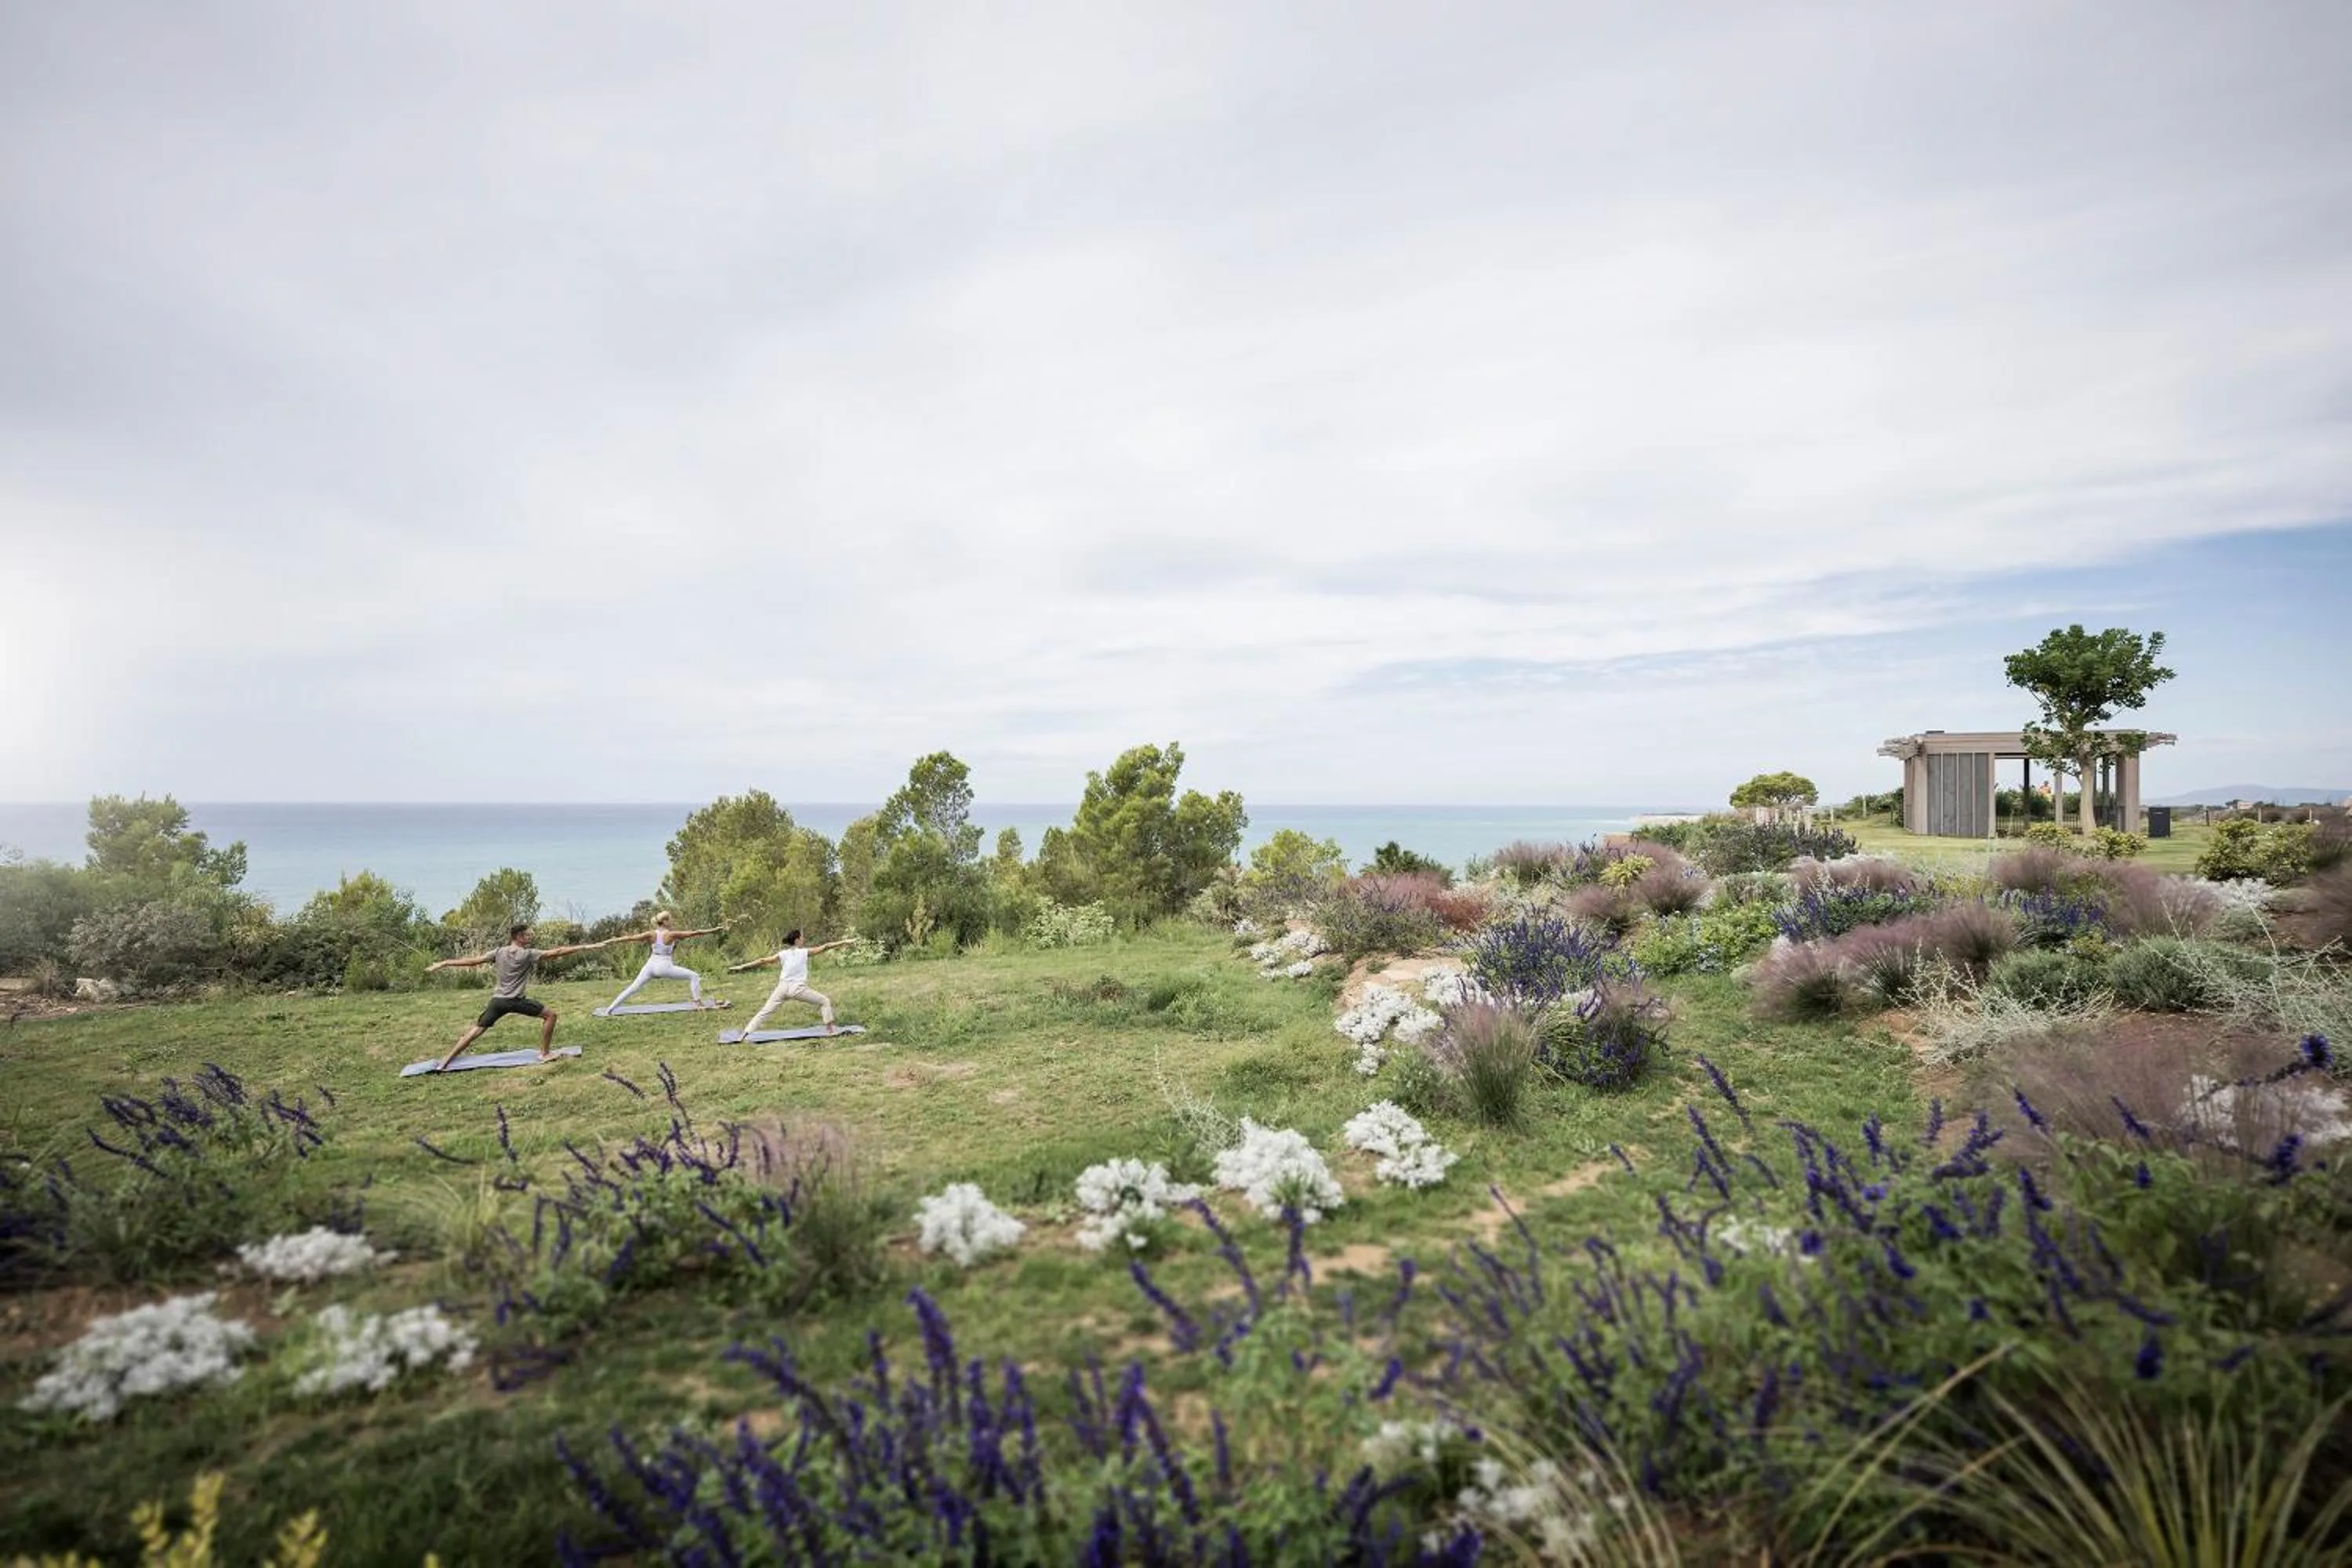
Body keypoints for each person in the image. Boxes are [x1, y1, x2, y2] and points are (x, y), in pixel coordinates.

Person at [426, 923, 612, 1072]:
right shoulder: (528, 954)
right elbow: (557, 952)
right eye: (527, 935)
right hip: (516, 1001)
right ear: (519, 937)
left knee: (476, 1031)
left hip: (498, 1001)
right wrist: (586, 946)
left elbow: (473, 961)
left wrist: (445, 963)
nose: (530, 938)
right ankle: (545, 1054)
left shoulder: (498, 952)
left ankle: (445, 1062)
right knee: (551, 1015)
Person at [730, 928, 855, 1036]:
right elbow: (826, 947)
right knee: (824, 1001)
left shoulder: (783, 954)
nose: (803, 939)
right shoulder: (804, 952)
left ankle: (745, 1034)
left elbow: (762, 960)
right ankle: (830, 1029)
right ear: (797, 940)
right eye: (801, 938)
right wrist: (845, 942)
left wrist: (742, 967)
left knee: (765, 1011)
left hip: (782, 988)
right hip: (798, 989)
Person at [600, 913, 727, 1011]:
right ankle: (698, 1004)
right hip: (664, 967)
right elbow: (696, 933)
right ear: (665, 922)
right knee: (694, 976)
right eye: (670, 919)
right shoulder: (671, 935)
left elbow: (630, 938)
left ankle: (610, 1009)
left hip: (650, 965)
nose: (672, 921)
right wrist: (716, 929)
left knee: (633, 987)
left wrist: (610, 941)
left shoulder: (651, 934)